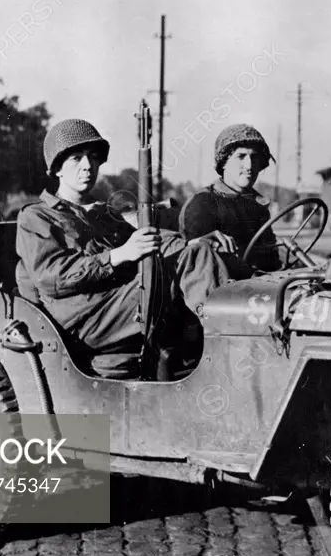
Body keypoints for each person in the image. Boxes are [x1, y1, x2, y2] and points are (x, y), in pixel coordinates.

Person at [15, 118, 232, 379]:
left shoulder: (102, 213)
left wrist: (188, 243)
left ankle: (226, 340)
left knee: (201, 254)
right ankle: (229, 350)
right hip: (85, 321)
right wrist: (117, 256)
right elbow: (51, 277)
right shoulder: (36, 217)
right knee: (186, 266)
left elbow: (144, 243)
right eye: (76, 158)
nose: (88, 166)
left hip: (119, 304)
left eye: (93, 158)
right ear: (57, 168)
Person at [179, 124, 280, 278]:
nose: (249, 165)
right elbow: (199, 264)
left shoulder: (258, 206)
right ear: (224, 162)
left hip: (261, 287)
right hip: (221, 294)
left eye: (254, 157)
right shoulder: (203, 203)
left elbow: (271, 260)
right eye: (241, 156)